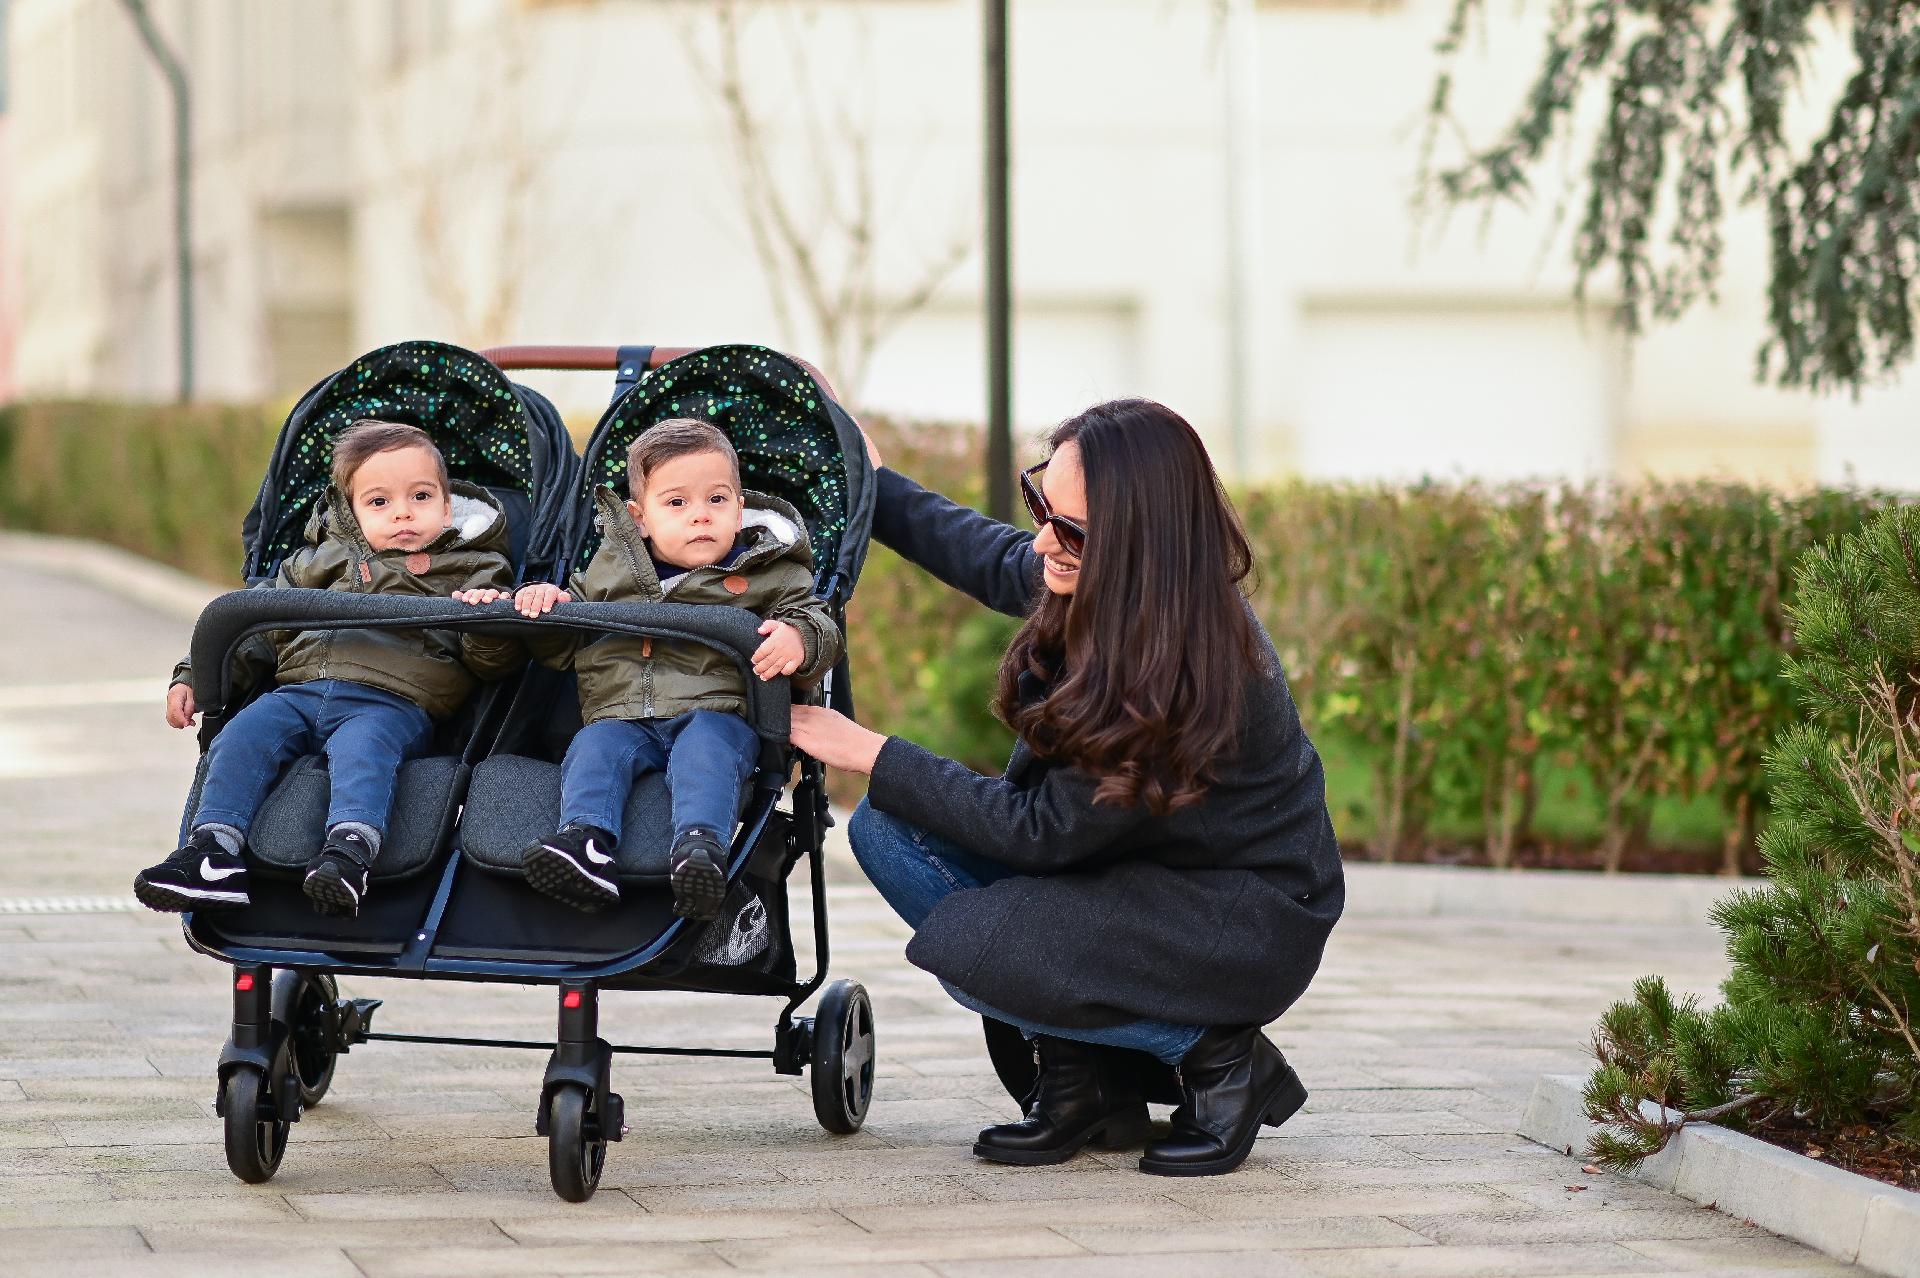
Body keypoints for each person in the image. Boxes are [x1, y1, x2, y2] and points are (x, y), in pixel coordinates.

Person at [790, 398, 1344, 1178]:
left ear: (1141, 539)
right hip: (1128, 876)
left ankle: (1223, 1060)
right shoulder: (1107, 579)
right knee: (889, 830)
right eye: (1041, 504)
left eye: (1073, 527)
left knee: (977, 950)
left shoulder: (1183, 665)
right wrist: (869, 476)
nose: (1046, 537)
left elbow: (1038, 833)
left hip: (1237, 915)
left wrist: (870, 750)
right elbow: (983, 553)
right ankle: (1086, 1088)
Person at [135, 420, 522, 919]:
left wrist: (487, 618)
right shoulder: (316, 562)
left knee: (363, 752)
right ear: (352, 512)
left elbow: (491, 665)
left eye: (421, 497)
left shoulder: (475, 568)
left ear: (448, 507)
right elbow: (255, 625)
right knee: (241, 735)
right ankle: (213, 851)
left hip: (392, 698)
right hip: (299, 690)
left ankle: (349, 853)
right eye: (379, 502)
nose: (402, 512)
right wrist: (195, 674)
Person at [460, 419, 840, 919]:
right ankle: (587, 842)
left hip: (715, 709)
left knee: (709, 752)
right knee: (591, 749)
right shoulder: (610, 569)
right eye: (677, 503)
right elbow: (560, 650)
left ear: (740, 507)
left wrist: (799, 636)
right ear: (640, 518)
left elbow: (815, 618)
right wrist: (550, 604)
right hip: (619, 715)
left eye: (717, 500)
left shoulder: (767, 570)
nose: (700, 517)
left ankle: (699, 849)